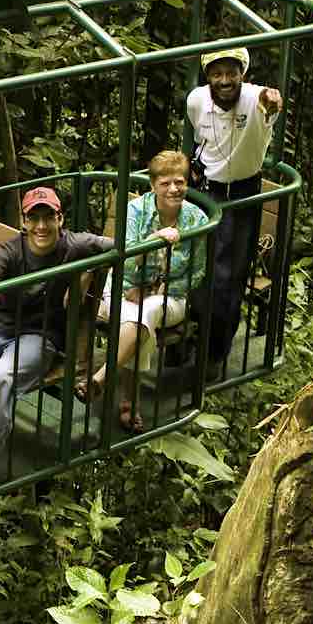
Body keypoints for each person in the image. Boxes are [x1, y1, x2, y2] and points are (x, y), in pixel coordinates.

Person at [0, 187, 112, 492]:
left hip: (40, 337)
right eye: (34, 218)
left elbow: (118, 244)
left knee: (1, 378)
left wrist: (160, 237)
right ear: (25, 222)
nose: (41, 226)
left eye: (48, 217)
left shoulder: (74, 244)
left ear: (60, 219)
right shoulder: (12, 250)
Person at [75, 151, 207, 432]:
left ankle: (100, 379)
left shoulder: (197, 219)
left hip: (171, 296)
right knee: (137, 321)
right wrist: (153, 241)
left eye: (180, 182)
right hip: (124, 289)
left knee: (146, 311)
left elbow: (197, 273)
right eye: (166, 183)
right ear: (153, 186)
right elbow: (125, 257)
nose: (174, 189)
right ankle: (127, 405)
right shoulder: (136, 211)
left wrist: (158, 287)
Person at [186, 47, 282, 379]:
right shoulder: (197, 100)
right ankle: (191, 340)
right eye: (217, 74)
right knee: (198, 269)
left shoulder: (255, 100)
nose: (224, 81)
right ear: (208, 76)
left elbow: (270, 103)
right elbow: (200, 137)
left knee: (229, 276)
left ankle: (214, 354)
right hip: (206, 190)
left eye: (231, 73)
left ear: (242, 73)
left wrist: (272, 101)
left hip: (241, 195)